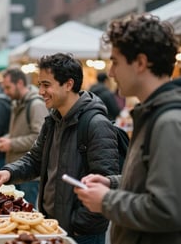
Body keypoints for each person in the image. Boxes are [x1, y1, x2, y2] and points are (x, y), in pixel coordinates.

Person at [0, 53, 119, 244]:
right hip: (51, 227)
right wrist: (8, 172)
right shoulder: (52, 121)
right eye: (40, 84)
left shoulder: (96, 124)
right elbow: (35, 159)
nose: (40, 91)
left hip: (81, 234)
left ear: (68, 84)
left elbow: (104, 184)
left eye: (46, 85)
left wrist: (76, 224)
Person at [74, 14, 181, 244]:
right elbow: (151, 180)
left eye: (115, 62)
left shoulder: (168, 121)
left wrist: (106, 200)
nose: (111, 73)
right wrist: (112, 183)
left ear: (140, 63)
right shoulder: (153, 113)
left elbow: (168, 209)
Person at [0, 68, 48, 206]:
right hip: (16, 170)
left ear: (19, 83)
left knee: (26, 213)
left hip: (30, 174)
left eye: (8, 87)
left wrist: (11, 143)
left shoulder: (36, 105)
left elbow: (39, 137)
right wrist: (7, 138)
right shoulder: (17, 103)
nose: (5, 92)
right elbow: (18, 132)